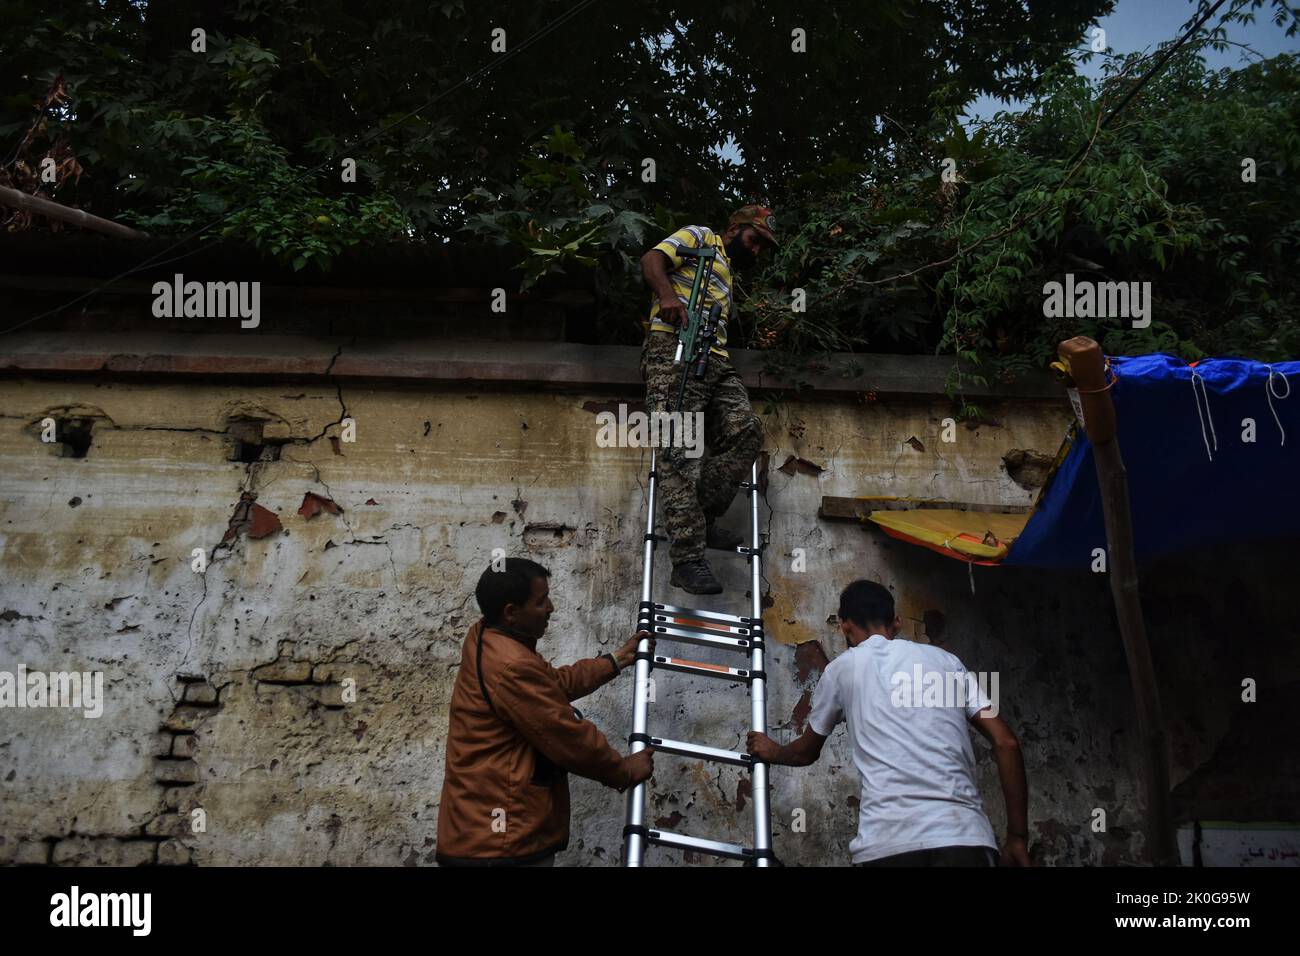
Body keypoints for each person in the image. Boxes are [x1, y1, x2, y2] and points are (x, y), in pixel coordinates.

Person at [747, 579, 1031, 866]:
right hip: (965, 840)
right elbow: (1006, 742)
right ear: (895, 623)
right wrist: (1017, 838)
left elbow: (804, 752)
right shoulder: (946, 662)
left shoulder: (842, 670)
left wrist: (773, 751)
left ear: (845, 626)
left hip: (887, 846)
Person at [436, 557, 655, 866]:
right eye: (541, 601)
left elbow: (552, 685)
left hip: (481, 833)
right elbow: (566, 735)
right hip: (500, 844)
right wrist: (623, 770)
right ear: (511, 612)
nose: (551, 607)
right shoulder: (512, 664)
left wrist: (615, 660)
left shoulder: (488, 636)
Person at [639, 206, 778, 595]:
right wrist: (667, 296)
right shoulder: (700, 234)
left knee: (746, 430)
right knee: (679, 446)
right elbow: (651, 259)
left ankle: (698, 516)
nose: (756, 251)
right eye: (754, 240)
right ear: (734, 228)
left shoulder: (727, 270)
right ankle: (687, 560)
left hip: (714, 359)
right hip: (673, 350)